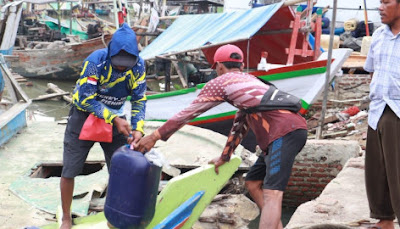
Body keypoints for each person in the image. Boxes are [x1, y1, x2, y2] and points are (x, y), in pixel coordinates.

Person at [135, 44, 307, 229]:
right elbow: (240, 123)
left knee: (273, 193)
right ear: (241, 66)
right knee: (253, 182)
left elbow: (187, 114)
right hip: (288, 131)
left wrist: (154, 136)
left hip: (284, 132)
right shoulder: (249, 82)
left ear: (218, 66)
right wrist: (225, 156)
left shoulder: (221, 82)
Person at [60, 23, 146, 229]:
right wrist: (114, 119)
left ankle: (115, 215)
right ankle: (65, 217)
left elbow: (139, 99)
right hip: (84, 116)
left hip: (116, 117)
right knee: (70, 169)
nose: (122, 68)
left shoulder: (139, 65)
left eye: (126, 65)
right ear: (109, 52)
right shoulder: (95, 62)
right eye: (118, 64)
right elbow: (87, 99)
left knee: (119, 169)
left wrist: (138, 128)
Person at [363, 0, 400, 228]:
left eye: (386, 1)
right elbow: (372, 71)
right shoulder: (378, 35)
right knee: (377, 169)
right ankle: (384, 220)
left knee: (398, 171)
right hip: (377, 108)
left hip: (398, 110)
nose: (380, 7)